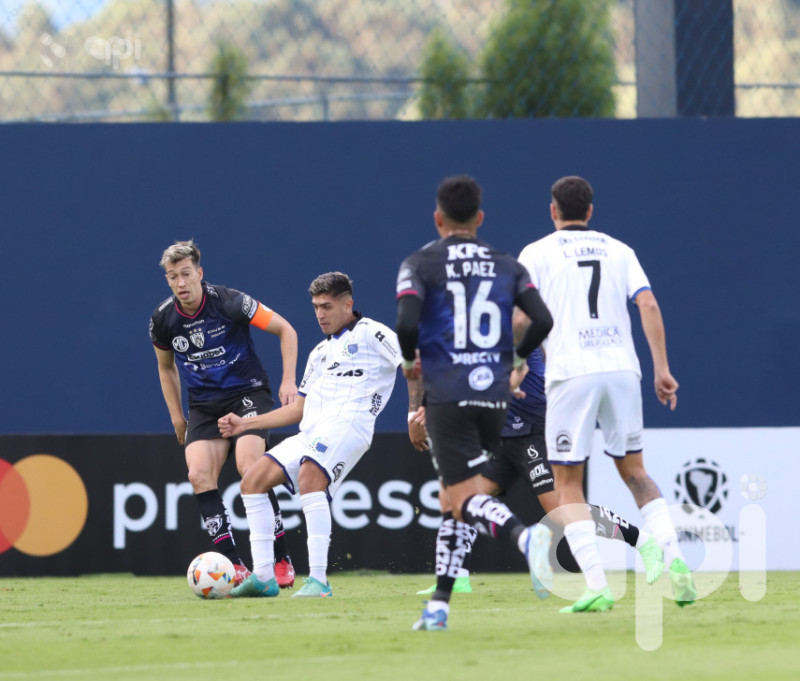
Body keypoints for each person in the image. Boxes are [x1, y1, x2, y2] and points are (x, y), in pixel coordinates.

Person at [517, 175, 697, 613]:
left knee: (567, 482)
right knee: (635, 472)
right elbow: (648, 304)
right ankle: (676, 560)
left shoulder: (535, 253)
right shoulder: (619, 249)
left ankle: (596, 584)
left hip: (571, 372)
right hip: (621, 369)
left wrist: (517, 364)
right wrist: (662, 369)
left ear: (553, 210)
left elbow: (522, 318)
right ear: (591, 211)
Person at [395, 174, 554, 631]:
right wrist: (518, 360)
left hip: (448, 392)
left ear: (438, 218)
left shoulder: (419, 263)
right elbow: (541, 319)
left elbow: (407, 324)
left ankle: (526, 541)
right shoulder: (507, 265)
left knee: (463, 496)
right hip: (496, 395)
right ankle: (439, 607)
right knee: (452, 498)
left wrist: (410, 362)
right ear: (480, 218)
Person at [218, 271, 423, 598]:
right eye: (315, 307)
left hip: (350, 425)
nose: (320, 314)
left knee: (312, 476)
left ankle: (318, 581)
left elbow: (413, 362)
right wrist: (246, 424)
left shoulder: (372, 333)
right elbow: (298, 409)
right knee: (252, 480)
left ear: (348, 304)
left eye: (327, 306)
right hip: (312, 431)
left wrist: (414, 411)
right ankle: (264, 578)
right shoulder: (318, 354)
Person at [410, 345, 665, 598]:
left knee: (561, 512)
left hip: (533, 429)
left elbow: (488, 377)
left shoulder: (515, 327)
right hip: (502, 434)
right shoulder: (481, 330)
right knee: (464, 498)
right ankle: (456, 577)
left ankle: (643, 541)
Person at [150, 240, 297, 588]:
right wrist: (176, 416)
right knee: (199, 474)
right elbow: (165, 368)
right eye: (173, 277)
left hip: (248, 395)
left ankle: (281, 559)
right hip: (203, 406)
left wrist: (288, 380)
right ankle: (235, 566)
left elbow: (285, 330)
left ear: (199, 274)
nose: (180, 283)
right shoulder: (163, 319)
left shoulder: (229, 302)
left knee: (250, 468)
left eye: (186, 274)